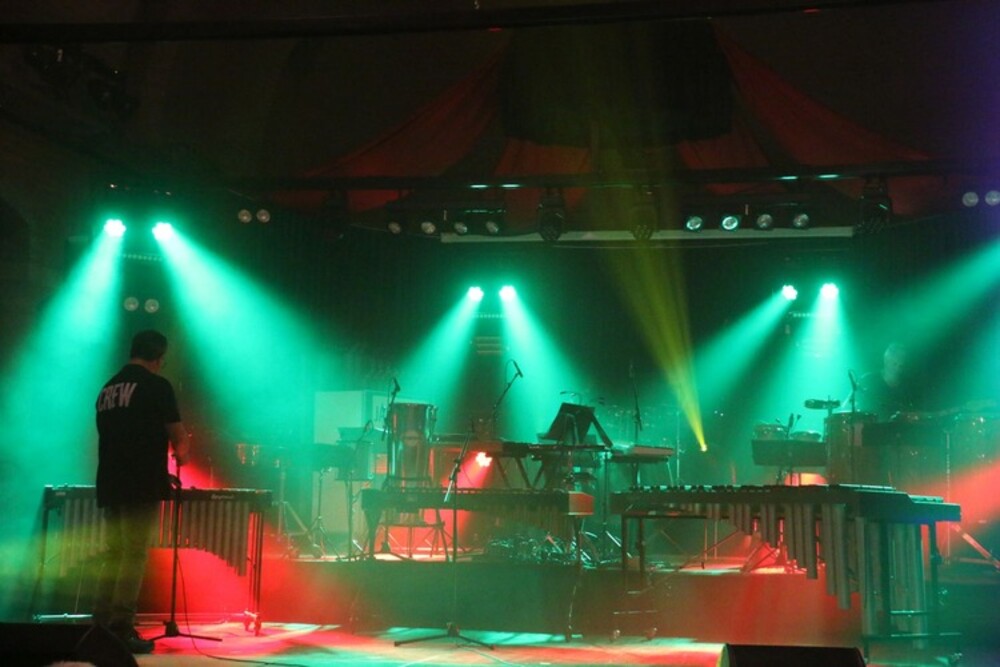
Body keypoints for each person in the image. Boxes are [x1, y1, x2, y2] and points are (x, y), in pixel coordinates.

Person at [93, 329, 190, 654]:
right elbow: (178, 437)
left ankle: (100, 625)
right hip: (140, 484)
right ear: (158, 357)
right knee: (133, 554)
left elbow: (123, 437)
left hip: (110, 481)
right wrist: (182, 452)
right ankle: (121, 628)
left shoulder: (107, 388)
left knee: (114, 553)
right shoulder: (157, 385)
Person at [849, 342, 921, 420]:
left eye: (902, 358)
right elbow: (849, 406)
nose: (899, 362)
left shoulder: (910, 386)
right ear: (886, 359)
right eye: (895, 362)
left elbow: (917, 413)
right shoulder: (868, 380)